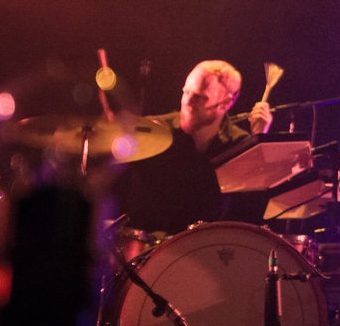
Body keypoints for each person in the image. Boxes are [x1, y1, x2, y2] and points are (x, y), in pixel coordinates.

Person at [114, 60, 272, 235]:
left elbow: (251, 212)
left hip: (205, 249)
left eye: (200, 97)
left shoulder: (238, 144)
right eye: (186, 92)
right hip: (148, 249)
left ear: (227, 102)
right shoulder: (153, 131)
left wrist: (259, 140)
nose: (187, 102)